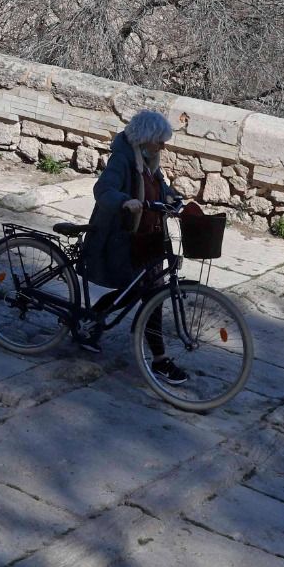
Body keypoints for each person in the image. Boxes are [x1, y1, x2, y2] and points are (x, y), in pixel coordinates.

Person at [78, 109, 189, 385]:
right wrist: (125, 202)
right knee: (144, 294)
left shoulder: (150, 160)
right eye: (160, 140)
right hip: (124, 236)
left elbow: (159, 188)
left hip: (148, 238)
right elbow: (103, 190)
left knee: (141, 293)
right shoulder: (124, 158)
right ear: (146, 138)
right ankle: (160, 359)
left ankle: (91, 323)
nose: (164, 146)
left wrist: (174, 198)